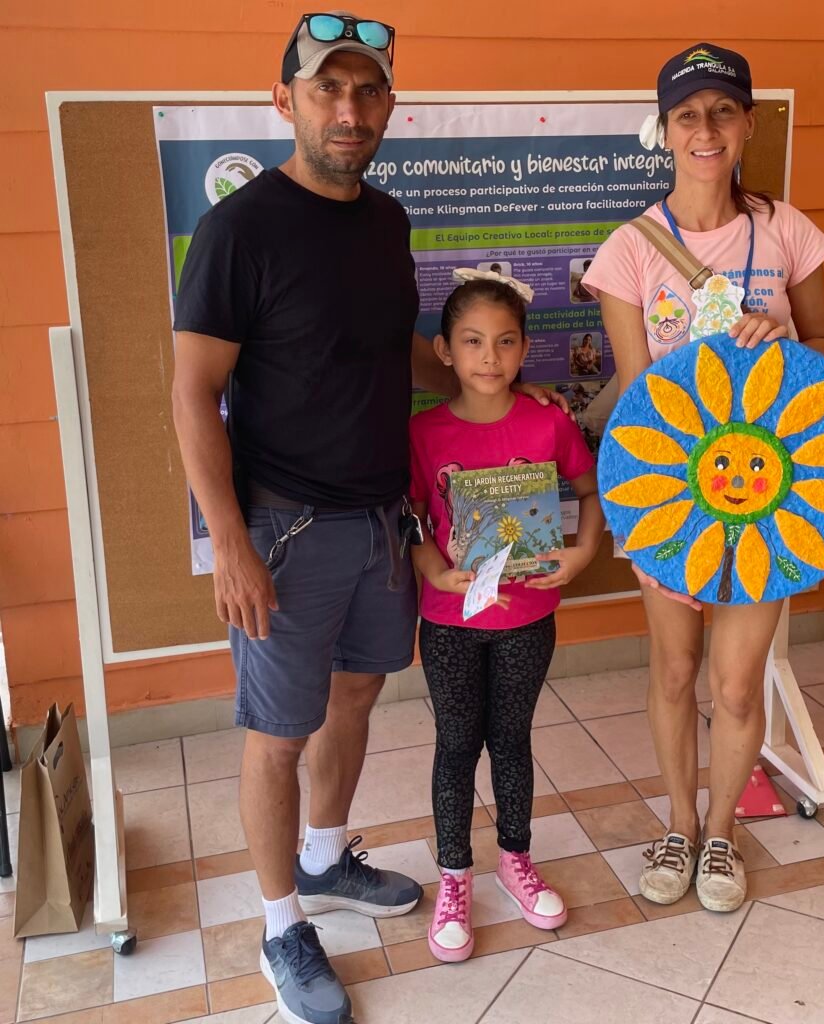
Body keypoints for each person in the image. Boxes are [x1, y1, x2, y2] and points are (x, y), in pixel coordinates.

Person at [171, 13, 566, 1023]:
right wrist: (228, 541)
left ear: (386, 105)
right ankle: (278, 927)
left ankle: (323, 856)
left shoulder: (386, 222)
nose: (347, 111)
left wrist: (509, 388)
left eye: (366, 92)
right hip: (284, 530)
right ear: (284, 101)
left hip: (383, 523)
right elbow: (191, 392)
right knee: (274, 733)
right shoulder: (237, 230)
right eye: (325, 91)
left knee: (353, 698)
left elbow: (399, 354)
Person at [582, 43, 824, 914]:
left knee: (737, 682)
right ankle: (679, 824)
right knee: (674, 670)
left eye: (722, 112)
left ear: (748, 124)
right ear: (665, 130)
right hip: (670, 501)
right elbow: (635, 397)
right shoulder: (628, 250)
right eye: (687, 115)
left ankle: (723, 834)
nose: (706, 130)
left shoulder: (786, 230)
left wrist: (787, 341)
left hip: (770, 498)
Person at [408, 272, 604, 961]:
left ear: (524, 350)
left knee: (512, 737)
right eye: (472, 342)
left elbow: (589, 488)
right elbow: (408, 519)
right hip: (450, 620)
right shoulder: (422, 432)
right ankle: (453, 876)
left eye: (504, 342)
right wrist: (432, 566)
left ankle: (514, 859)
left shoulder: (548, 420)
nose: (488, 357)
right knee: (458, 743)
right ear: (444, 351)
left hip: (527, 616)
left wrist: (582, 555)